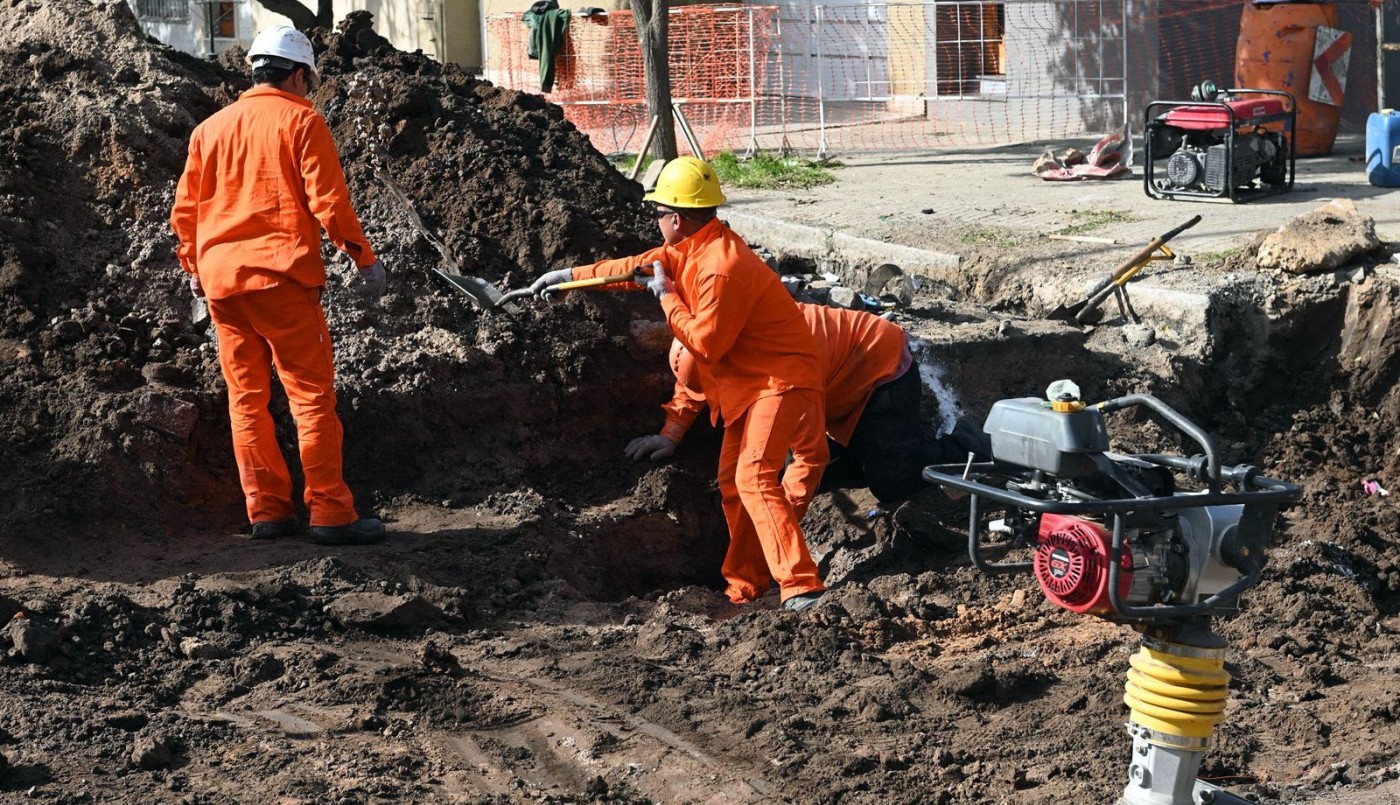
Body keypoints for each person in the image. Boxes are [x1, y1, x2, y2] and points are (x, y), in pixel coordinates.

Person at [527, 157, 829, 611]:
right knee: (733, 481)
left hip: (781, 377)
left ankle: (801, 585)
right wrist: (570, 278)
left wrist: (667, 298)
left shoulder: (720, 267)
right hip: (749, 380)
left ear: (676, 218)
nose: (655, 220)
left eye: (658, 212)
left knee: (754, 474)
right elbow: (636, 269)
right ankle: (747, 586)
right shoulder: (688, 248)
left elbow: (705, 342)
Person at [170, 25, 387, 546]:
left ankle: (267, 512)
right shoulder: (302, 120)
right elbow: (329, 202)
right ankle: (331, 514)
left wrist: (195, 269)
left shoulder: (210, 130)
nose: (307, 90)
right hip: (281, 278)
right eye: (307, 81)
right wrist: (364, 259)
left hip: (222, 283)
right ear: (295, 75)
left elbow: (186, 214)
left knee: (246, 400)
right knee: (310, 398)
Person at [626, 303, 993, 503]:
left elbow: (807, 450)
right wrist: (671, 435)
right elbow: (695, 387)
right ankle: (875, 454)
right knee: (819, 473)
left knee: (892, 484)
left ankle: (965, 443)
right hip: (837, 379)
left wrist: (785, 517)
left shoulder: (779, 364)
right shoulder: (717, 341)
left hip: (877, 369)